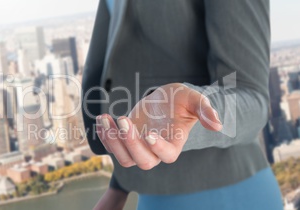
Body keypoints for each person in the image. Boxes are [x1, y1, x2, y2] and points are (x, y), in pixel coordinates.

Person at [81, 0, 283, 209]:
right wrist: (119, 186)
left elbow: (251, 97)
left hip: (225, 192)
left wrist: (186, 118)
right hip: (152, 191)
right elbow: (126, 59)